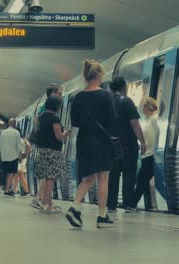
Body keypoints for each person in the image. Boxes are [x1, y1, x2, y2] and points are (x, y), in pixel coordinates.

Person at [65, 59, 118, 228]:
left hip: (84, 140)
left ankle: (75, 206)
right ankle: (102, 216)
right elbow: (112, 120)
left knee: (87, 179)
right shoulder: (105, 95)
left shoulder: (78, 97)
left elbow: (75, 122)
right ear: (98, 76)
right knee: (103, 179)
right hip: (101, 140)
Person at [107, 76, 146, 213]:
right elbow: (134, 123)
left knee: (113, 174)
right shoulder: (127, 102)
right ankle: (128, 204)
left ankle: (111, 205)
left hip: (112, 144)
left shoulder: (108, 102)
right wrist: (142, 141)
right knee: (129, 174)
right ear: (124, 87)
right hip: (128, 144)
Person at [30, 84, 63, 209]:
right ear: (53, 94)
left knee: (47, 175)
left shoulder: (45, 107)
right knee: (49, 175)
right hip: (50, 147)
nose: (61, 96)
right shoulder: (47, 108)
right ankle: (41, 199)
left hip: (44, 146)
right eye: (59, 93)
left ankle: (42, 199)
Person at [35, 97, 70, 213]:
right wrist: (66, 133)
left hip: (43, 150)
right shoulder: (54, 118)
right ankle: (46, 204)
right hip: (53, 151)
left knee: (47, 176)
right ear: (56, 107)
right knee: (51, 177)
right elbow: (58, 136)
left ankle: (49, 202)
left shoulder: (41, 117)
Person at [130, 97, 159, 210]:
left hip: (151, 155)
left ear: (148, 107)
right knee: (143, 180)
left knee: (141, 180)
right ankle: (147, 204)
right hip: (146, 155)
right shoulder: (147, 120)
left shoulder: (154, 119)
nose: (142, 108)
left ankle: (132, 204)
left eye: (143, 106)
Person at [0, 118, 22, 197]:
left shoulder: (3, 132)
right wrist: (20, 154)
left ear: (8, 123)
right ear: (15, 124)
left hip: (5, 156)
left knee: (7, 172)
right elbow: (18, 145)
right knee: (11, 173)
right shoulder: (16, 132)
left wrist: (0, 155)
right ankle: (7, 190)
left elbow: (0, 144)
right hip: (13, 156)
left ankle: (7, 189)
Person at [14, 128, 31, 196]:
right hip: (23, 158)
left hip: (20, 158)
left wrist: (22, 156)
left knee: (17, 174)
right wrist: (26, 155)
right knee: (20, 175)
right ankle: (26, 191)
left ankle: (14, 190)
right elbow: (29, 147)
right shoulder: (24, 139)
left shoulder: (18, 139)